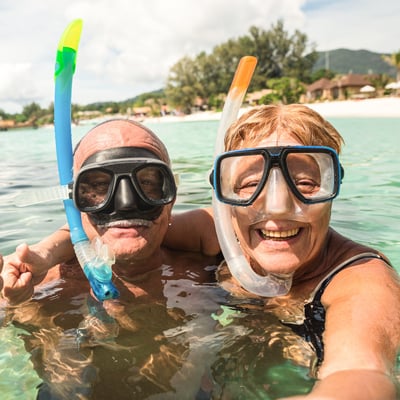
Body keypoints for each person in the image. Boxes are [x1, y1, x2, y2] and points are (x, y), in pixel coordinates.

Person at [2, 105, 400, 399]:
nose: (277, 207)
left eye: (307, 182)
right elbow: (121, 230)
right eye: (248, 186)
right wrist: (45, 253)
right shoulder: (226, 234)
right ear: (223, 197)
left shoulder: (361, 279)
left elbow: (360, 373)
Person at [0, 119, 221, 399]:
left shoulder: (207, 268)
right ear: (73, 202)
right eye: (100, 187)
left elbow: (231, 224)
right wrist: (17, 305)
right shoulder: (37, 285)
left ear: (171, 198)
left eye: (149, 184)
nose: (126, 202)